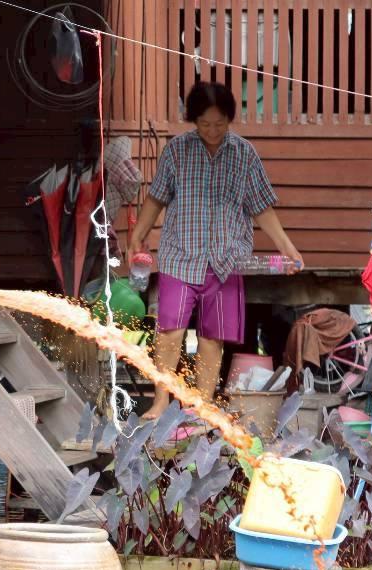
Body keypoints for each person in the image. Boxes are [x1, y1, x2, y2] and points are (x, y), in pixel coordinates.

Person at [128, 82, 303, 419]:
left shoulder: (245, 154)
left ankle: (202, 405)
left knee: (213, 336)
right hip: (181, 254)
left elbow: (262, 208)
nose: (212, 131)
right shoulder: (177, 151)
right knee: (169, 331)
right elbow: (156, 198)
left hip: (227, 259)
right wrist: (138, 235)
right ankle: (162, 400)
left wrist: (288, 248)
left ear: (229, 119)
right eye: (205, 124)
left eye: (219, 124)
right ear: (194, 120)